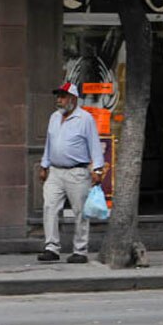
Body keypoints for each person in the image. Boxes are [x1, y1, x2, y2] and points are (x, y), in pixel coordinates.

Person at [38, 81, 105, 264]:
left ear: (73, 99)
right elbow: (49, 144)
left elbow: (94, 145)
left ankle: (80, 250)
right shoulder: (54, 117)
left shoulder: (85, 119)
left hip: (77, 172)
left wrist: (97, 169)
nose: (59, 100)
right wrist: (44, 165)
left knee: (80, 212)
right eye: (58, 96)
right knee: (49, 207)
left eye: (62, 96)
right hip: (55, 171)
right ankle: (51, 247)